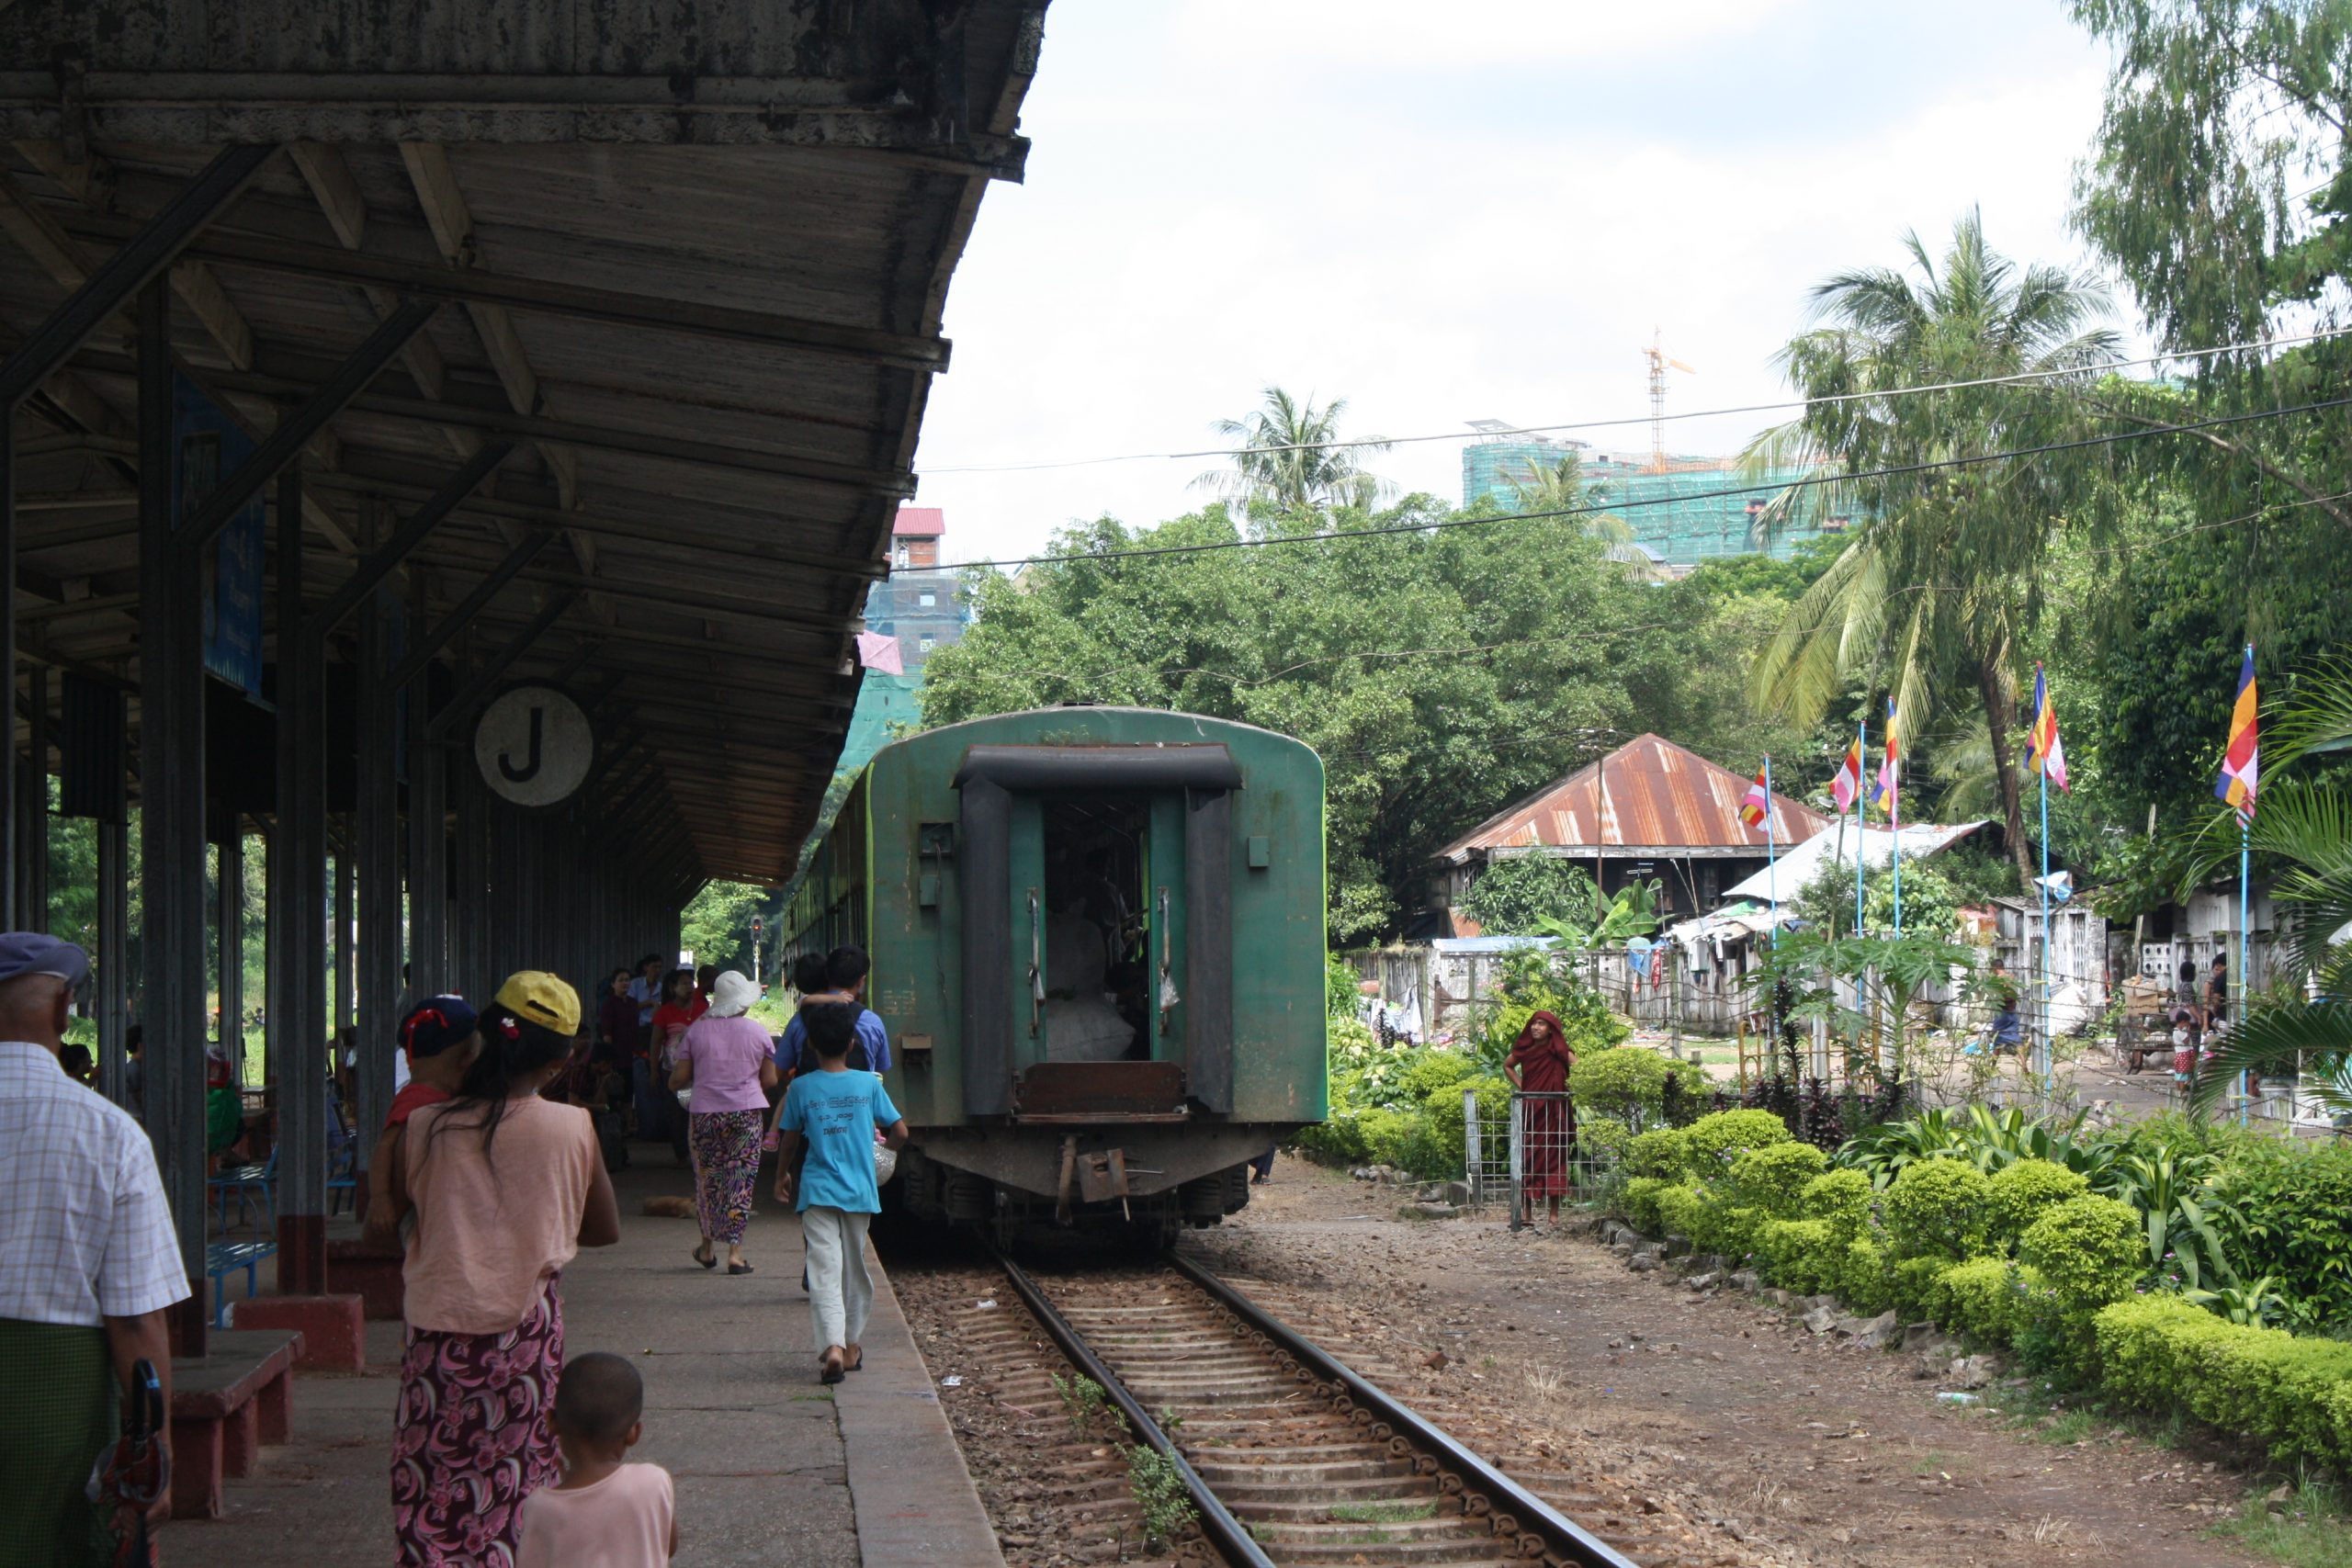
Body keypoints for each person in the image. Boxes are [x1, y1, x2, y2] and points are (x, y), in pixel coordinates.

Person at [384, 973, 621, 1567]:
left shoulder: (425, 1126)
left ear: (485, 1037)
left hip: (438, 1334)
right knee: (517, 1482)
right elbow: (604, 1229)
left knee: (432, 1479)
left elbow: (386, 1216)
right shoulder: (572, 1127)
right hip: (525, 1337)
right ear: (560, 1062)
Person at [0, 933, 187, 1566]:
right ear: (61, 1011)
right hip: (54, 1402)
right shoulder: (110, 1134)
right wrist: (154, 1447)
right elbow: (135, 1316)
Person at [774, 1002, 907, 1384]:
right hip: (859, 1191)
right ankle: (851, 1346)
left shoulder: (801, 1087)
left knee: (823, 1269)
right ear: (851, 1043)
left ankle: (831, 1346)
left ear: (811, 1044)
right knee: (854, 1269)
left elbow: (790, 1138)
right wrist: (885, 1155)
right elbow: (900, 1132)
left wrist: (781, 1176)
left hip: (817, 1190)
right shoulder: (868, 1083)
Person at [516, 1352, 676, 1568]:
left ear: (552, 1421)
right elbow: (668, 1545)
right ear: (633, 1433)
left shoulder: (541, 1507)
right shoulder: (653, 1482)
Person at [669, 972, 778, 1275]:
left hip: (704, 1114)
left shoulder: (696, 1032)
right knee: (740, 1181)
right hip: (746, 1115)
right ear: (743, 1003)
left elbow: (679, 1078)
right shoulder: (758, 1033)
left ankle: (706, 1249)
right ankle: (735, 1253)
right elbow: (770, 1079)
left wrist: (674, 1084)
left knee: (708, 1182)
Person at [363, 998, 481, 1251]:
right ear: (467, 1057)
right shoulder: (417, 1098)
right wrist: (380, 1198)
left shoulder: (439, 1095)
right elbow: (384, 1147)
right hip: (416, 1218)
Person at [1501, 1010, 1577, 1226]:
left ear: (1551, 1029)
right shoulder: (1526, 1050)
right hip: (1531, 1111)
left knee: (1555, 1159)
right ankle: (1527, 1213)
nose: (1536, 1028)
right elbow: (1508, 1065)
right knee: (1527, 1159)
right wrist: (1524, 1088)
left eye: (1542, 1024)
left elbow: (1579, 1069)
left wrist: (1566, 1090)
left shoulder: (1559, 1050)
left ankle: (1554, 1215)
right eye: (1534, 1024)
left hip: (1554, 1112)